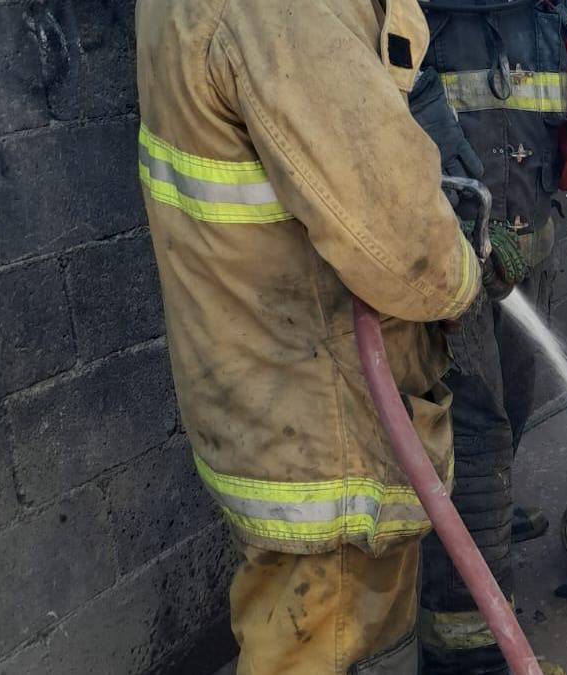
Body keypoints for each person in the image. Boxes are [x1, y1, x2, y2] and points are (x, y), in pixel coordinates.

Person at [135, 1, 489, 672]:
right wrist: (466, 275)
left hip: (275, 398)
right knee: (324, 638)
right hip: (328, 425)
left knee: (339, 635)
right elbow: (401, 237)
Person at [407, 1, 567, 672]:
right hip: (451, 266)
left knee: (510, 409)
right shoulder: (413, 15)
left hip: (528, 253)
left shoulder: (560, 9)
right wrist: (464, 230)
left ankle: (489, 527)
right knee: (472, 436)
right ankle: (470, 648)